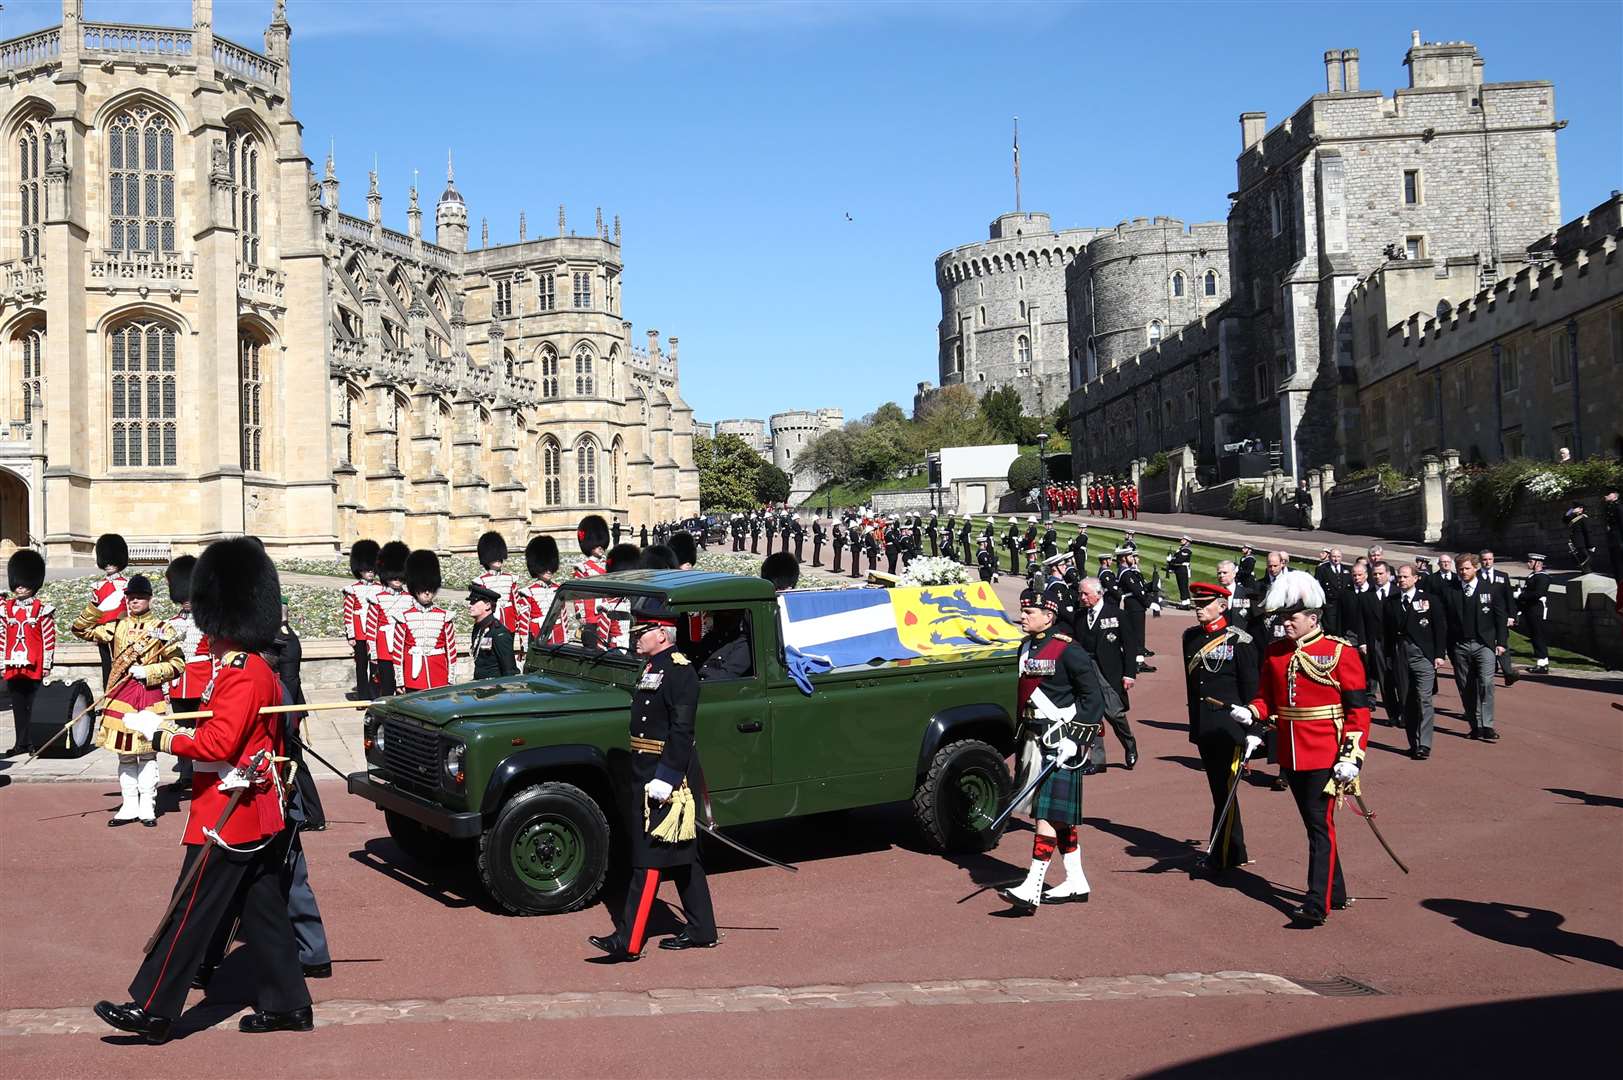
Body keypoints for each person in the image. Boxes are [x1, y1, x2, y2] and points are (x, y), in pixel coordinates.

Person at [96, 537, 313, 1042]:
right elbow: (214, 712)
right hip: (253, 812)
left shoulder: (243, 673)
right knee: (263, 914)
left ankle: (152, 1007)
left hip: (229, 814)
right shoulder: (241, 668)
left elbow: (218, 743)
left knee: (188, 911)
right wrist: (164, 709)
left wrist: (159, 734)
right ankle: (289, 1004)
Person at [1237, 570, 1370, 927]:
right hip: (1290, 753)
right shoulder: (1277, 653)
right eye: (1283, 618)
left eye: (1291, 618)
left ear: (1313, 618)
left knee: (1319, 825)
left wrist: (1351, 756)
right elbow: (1268, 699)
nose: (1285, 624)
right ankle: (1336, 891)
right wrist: (1250, 712)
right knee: (1316, 824)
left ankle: (1317, 902)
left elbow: (1358, 711)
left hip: (1326, 752)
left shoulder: (1339, 652)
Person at [589, 600, 717, 961]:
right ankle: (702, 929)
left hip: (667, 775)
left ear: (662, 634)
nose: (636, 638)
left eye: (642, 632)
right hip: (645, 770)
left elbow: (682, 730)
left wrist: (667, 777)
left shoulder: (680, 672)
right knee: (684, 856)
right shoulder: (651, 668)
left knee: (648, 859)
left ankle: (628, 941)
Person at [998, 587, 1104, 914]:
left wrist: (1076, 738)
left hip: (1063, 741)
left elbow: (1093, 699)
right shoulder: (1025, 647)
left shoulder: (1068, 651)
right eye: (1023, 610)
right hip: (1034, 738)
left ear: (1049, 616)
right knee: (1057, 816)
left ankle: (1032, 885)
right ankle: (1075, 880)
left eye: (1030, 612)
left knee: (1045, 813)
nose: (1023, 616)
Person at [76, 574, 184, 826]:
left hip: (148, 695)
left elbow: (178, 664)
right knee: (125, 755)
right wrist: (97, 607)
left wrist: (149, 672)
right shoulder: (116, 626)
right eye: (131, 598)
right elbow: (80, 630)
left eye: (140, 598)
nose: (134, 602)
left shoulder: (163, 629)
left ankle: (147, 804)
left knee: (147, 755)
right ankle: (128, 804)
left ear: (149, 599)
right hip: (121, 696)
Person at [1184, 582, 1261, 873]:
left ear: (1222, 605)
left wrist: (1255, 728)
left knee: (1225, 791)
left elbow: (1252, 687)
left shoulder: (1240, 641)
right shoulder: (1190, 638)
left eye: (1205, 603)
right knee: (1219, 791)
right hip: (1205, 727)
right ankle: (1234, 849)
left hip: (1231, 728)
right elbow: (1194, 689)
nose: (1199, 607)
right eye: (1197, 603)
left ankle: (1222, 854)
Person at [1073, 575, 1138, 772]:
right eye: (1080, 594)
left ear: (1098, 593)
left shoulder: (1117, 614)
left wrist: (1130, 674)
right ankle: (1098, 761)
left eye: (1085, 594)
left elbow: (1130, 646)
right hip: (1086, 669)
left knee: (1114, 713)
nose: (1082, 597)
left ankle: (1129, 744)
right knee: (1092, 714)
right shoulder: (1079, 616)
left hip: (1108, 671)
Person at [1385, 562, 1446, 760]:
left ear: (1415, 578)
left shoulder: (1429, 600)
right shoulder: (1391, 601)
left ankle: (1425, 744)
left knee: (1424, 698)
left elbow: (1439, 628)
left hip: (1423, 655)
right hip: (1400, 656)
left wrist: (1439, 654)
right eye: (1399, 577)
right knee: (1407, 701)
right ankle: (1414, 743)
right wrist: (1388, 659)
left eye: (1405, 577)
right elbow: (1386, 633)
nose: (1401, 580)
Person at [161, 555, 211, 789]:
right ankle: (185, 774)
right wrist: (164, 687)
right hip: (177, 683)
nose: (186, 601)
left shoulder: (209, 622)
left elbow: (215, 657)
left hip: (202, 682)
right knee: (181, 729)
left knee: (202, 728)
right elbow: (165, 658)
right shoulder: (169, 623)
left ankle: (203, 772)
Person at [1443, 555, 1505, 742]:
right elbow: (1444, 621)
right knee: (1466, 687)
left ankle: (1487, 725)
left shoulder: (1491, 589)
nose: (1463, 572)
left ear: (1476, 568)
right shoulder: (1450, 591)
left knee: (1486, 683)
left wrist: (1501, 642)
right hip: (1460, 646)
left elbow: (1500, 617)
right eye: (1460, 569)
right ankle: (1475, 725)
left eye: (1467, 568)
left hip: (1483, 644)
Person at [4, 549, 54, 756]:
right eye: (17, 583)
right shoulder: (6, 609)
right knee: (17, 705)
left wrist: (46, 665)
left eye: (24, 583)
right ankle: (20, 743)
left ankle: (33, 742)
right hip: (13, 664)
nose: (20, 587)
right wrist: (1, 663)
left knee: (33, 706)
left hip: (34, 664)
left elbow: (49, 638)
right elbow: (2, 637)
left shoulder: (42, 609)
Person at [394, 550, 456, 691]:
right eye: (423, 589)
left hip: (439, 675)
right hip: (414, 677)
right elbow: (399, 652)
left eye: (431, 589)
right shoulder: (403, 617)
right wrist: (400, 681)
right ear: (415, 589)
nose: (428, 593)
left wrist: (451, 678)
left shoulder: (445, 616)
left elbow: (450, 650)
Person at [79, 533, 130, 683]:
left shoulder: (127, 583)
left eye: (112, 561)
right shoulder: (97, 586)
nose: (108, 564)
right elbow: (95, 611)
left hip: (122, 631)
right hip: (102, 633)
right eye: (106, 561)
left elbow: (129, 609)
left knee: (122, 666)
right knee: (106, 667)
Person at [365, 541, 412, 698]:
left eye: (400, 576)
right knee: (386, 689)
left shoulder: (411, 599)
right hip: (385, 650)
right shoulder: (376, 599)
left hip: (405, 649)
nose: (398, 579)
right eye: (394, 576)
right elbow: (371, 628)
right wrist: (373, 654)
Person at [341, 541, 382, 700]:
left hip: (376, 633)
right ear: (360, 570)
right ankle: (363, 695)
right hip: (359, 633)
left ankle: (374, 694)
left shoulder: (381, 588)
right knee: (361, 665)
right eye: (367, 569)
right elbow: (348, 613)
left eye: (372, 569)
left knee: (375, 665)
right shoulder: (352, 589)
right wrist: (351, 636)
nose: (370, 572)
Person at [517, 535, 565, 656]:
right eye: (544, 567)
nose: (549, 570)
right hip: (539, 640)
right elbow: (524, 621)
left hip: (558, 639)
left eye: (550, 567)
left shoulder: (559, 589)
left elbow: (563, 617)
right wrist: (525, 644)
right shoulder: (528, 592)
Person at [475, 531, 521, 638]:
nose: (499, 560)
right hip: (490, 624)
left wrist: (518, 624)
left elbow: (516, 604)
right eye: (494, 556)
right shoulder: (480, 581)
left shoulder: (510, 578)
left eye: (499, 556)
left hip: (509, 624)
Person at [469, 583, 518, 679]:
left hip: (495, 690)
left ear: (487, 605)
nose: (470, 606)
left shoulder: (499, 633)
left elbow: (509, 670)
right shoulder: (479, 628)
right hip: (481, 686)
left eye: (473, 602)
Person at [1516, 553, 1551, 674]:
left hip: (1537, 610)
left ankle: (1542, 663)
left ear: (1538, 563)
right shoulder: (1533, 576)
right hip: (1531, 609)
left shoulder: (1542, 577)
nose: (1528, 563)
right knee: (1535, 636)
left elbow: (1538, 594)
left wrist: (1521, 595)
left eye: (1531, 561)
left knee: (1538, 636)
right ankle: (1541, 662)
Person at [1167, 536, 1193, 605]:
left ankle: (1185, 602)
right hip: (1179, 569)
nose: (1181, 540)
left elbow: (1179, 560)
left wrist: (1171, 560)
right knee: (1181, 585)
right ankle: (1186, 602)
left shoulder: (1186, 550)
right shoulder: (1181, 549)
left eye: (1183, 540)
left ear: (1187, 542)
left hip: (1182, 569)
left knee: (1183, 586)